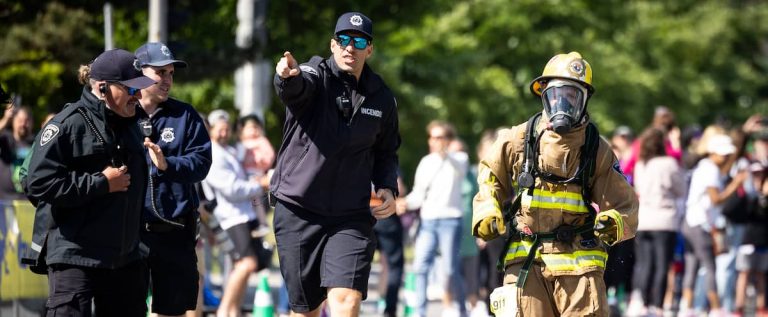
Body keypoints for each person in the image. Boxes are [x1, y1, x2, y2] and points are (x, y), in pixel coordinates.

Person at [472, 51, 639, 316]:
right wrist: (487, 211)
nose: (563, 103)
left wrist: (614, 222)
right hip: (527, 260)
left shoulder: (597, 149)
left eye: (572, 96)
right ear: (544, 96)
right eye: (556, 95)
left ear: (584, 100)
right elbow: (490, 176)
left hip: (580, 267)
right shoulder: (519, 139)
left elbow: (624, 203)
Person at [271, 11, 400, 317]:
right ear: (332, 45)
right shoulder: (315, 74)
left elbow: (386, 151)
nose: (349, 47)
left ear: (369, 49)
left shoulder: (381, 97)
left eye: (358, 41)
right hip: (298, 208)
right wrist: (286, 77)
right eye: (343, 39)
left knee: (346, 300)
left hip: (350, 215)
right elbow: (296, 87)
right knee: (306, 310)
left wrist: (387, 188)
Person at [22, 49, 155, 316]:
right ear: (103, 87)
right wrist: (100, 184)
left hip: (124, 259)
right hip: (76, 257)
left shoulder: (133, 124)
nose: (138, 96)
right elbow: (37, 182)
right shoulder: (68, 124)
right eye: (131, 89)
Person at [134, 42, 213, 317]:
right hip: (130, 233)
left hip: (175, 232)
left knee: (173, 311)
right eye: (160, 73)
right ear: (139, 73)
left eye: (170, 73)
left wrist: (168, 164)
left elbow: (201, 164)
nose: (167, 80)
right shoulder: (121, 114)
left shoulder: (186, 115)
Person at [204, 110, 270, 317]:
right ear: (212, 131)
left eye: (227, 129)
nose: (224, 133)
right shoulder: (213, 153)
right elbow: (231, 190)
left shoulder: (230, 151)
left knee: (243, 266)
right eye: (220, 129)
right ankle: (225, 310)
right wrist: (260, 185)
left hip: (244, 215)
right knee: (247, 263)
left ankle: (234, 311)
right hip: (231, 217)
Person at [402, 120, 468, 317]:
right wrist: (403, 203)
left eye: (439, 137)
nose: (434, 141)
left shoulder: (459, 158)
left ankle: (462, 309)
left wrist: (444, 153)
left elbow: (459, 170)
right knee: (420, 266)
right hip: (428, 221)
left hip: (450, 220)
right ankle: (419, 312)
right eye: (432, 137)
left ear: (448, 140)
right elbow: (418, 195)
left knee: (450, 269)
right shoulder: (426, 162)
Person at [678, 133, 747, 317]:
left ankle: (687, 308)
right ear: (713, 153)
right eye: (723, 154)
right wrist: (735, 184)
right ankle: (716, 309)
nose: (725, 157)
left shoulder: (705, 167)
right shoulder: (710, 169)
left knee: (692, 267)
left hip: (690, 222)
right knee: (710, 267)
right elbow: (716, 199)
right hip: (700, 224)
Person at [625, 128, 687, 317]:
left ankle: (642, 302)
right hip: (664, 220)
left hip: (644, 220)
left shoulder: (642, 164)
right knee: (662, 265)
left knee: (644, 264)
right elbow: (681, 189)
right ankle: (657, 306)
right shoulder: (668, 163)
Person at [0, 105, 35, 199]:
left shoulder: (37, 143)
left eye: (27, 120)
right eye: (20, 120)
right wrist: (5, 119)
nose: (23, 124)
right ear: (13, 121)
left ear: (32, 123)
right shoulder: (5, 139)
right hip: (5, 201)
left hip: (27, 202)